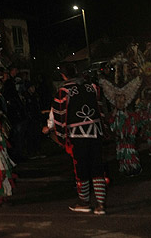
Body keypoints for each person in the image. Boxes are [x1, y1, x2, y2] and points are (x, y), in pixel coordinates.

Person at [44, 63, 107, 214]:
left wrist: (52, 128)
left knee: (82, 168)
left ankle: (84, 201)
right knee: (97, 166)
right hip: (95, 132)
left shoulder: (63, 92)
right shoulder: (92, 87)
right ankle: (101, 204)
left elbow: (57, 113)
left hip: (77, 135)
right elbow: (101, 108)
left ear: (64, 76)